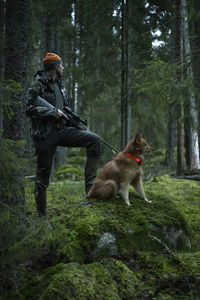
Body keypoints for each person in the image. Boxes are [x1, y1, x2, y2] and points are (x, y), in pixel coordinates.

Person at [26, 52, 100, 216]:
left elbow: (64, 108)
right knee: (42, 178)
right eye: (61, 65)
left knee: (94, 140)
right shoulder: (38, 84)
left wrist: (75, 123)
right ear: (53, 67)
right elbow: (29, 108)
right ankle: (41, 217)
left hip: (62, 130)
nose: (63, 67)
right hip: (44, 136)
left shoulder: (59, 84)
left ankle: (91, 195)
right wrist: (50, 112)